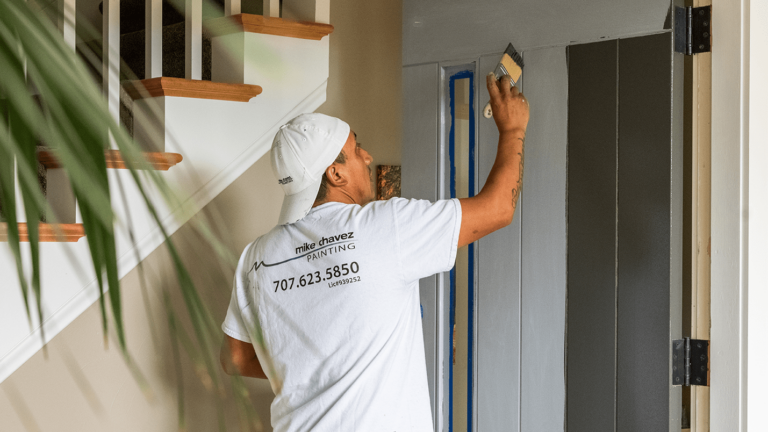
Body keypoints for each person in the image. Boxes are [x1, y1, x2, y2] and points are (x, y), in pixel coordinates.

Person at [219, 73, 529, 431]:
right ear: (335, 173)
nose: (366, 157)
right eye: (355, 149)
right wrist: (512, 130)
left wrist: (306, 367)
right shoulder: (385, 226)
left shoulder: (256, 257)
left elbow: (234, 358)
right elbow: (498, 209)